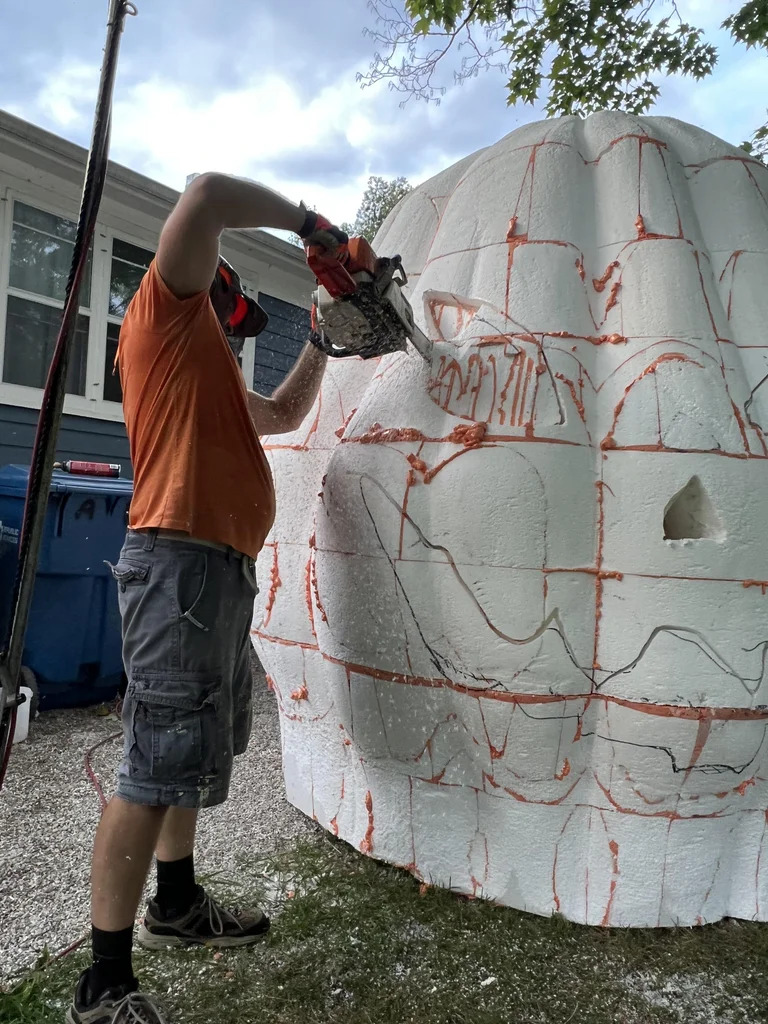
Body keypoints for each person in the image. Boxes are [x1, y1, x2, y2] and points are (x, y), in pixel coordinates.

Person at [67, 173, 347, 1024]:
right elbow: (207, 193)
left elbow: (290, 413)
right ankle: (102, 984)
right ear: (208, 286)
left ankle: (177, 905)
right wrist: (318, 231)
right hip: (177, 560)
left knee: (191, 750)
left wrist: (324, 341)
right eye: (234, 312)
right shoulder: (158, 314)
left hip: (218, 569)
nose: (235, 327)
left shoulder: (214, 374)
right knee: (154, 764)